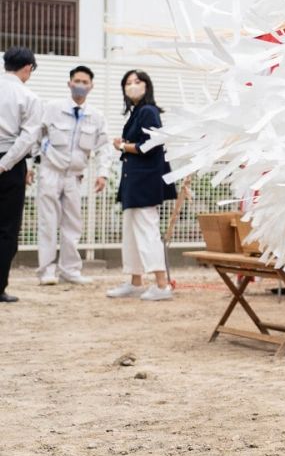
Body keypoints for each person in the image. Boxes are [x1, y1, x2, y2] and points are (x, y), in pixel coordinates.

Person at [32, 65, 114, 286]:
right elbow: (36, 137)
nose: (80, 86)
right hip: (50, 172)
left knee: (73, 224)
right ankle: (46, 271)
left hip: (75, 177)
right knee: (48, 222)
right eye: (76, 81)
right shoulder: (52, 108)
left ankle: (70, 270)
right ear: (69, 83)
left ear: (91, 86)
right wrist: (30, 165)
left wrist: (103, 174)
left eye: (85, 82)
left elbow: (104, 147)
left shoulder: (96, 116)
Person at [106, 70, 177, 301]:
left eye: (137, 82)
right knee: (132, 232)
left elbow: (152, 144)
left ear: (147, 85)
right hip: (134, 180)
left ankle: (161, 284)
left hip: (145, 181)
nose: (132, 86)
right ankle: (135, 280)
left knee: (147, 231)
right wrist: (126, 145)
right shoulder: (138, 112)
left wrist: (124, 147)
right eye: (127, 83)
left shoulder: (148, 111)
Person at [0, 47, 43, 304]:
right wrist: (5, 164)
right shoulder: (28, 96)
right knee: (6, 229)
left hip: (9, 160)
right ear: (27, 68)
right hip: (11, 164)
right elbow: (28, 137)